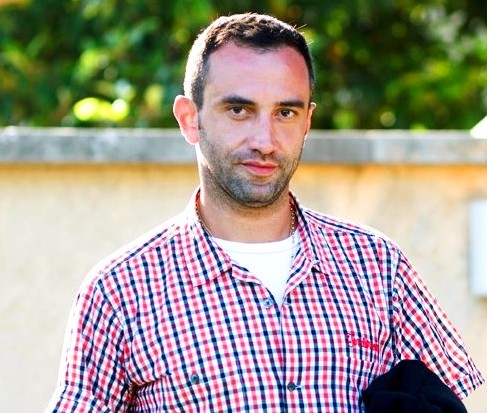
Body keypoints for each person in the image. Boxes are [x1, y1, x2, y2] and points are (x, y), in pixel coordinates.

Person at [46, 12, 484, 413]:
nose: (265, 140)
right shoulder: (118, 291)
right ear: (189, 118)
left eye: (285, 112)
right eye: (239, 110)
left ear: (307, 121)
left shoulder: (378, 267)